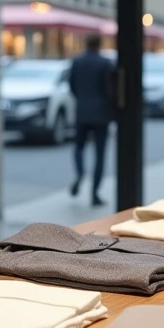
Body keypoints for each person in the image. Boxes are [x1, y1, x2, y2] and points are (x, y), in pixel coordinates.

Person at [68, 34, 116, 206]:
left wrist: (82, 100)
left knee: (78, 147)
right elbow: (111, 89)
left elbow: (72, 86)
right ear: (99, 44)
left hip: (82, 111)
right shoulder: (105, 63)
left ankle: (80, 173)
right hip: (101, 114)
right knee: (99, 154)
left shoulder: (77, 62)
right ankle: (94, 193)